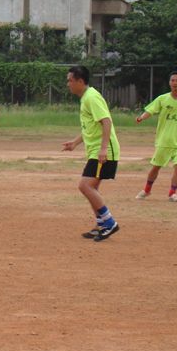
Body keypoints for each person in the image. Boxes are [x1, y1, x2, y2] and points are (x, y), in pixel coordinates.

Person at [61, 66, 121, 241]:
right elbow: (91, 127)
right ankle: (101, 224)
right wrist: (75, 142)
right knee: (91, 188)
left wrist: (103, 149)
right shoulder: (86, 97)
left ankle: (109, 223)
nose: (68, 84)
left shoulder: (91, 97)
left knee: (85, 186)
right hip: (96, 150)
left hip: (103, 151)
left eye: (70, 81)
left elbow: (106, 121)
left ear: (80, 81)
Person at [135, 71, 177, 202]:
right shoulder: (162, 98)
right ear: (169, 83)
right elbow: (150, 110)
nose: (175, 83)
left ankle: (172, 193)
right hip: (164, 140)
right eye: (172, 80)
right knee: (156, 167)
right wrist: (142, 117)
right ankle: (147, 190)